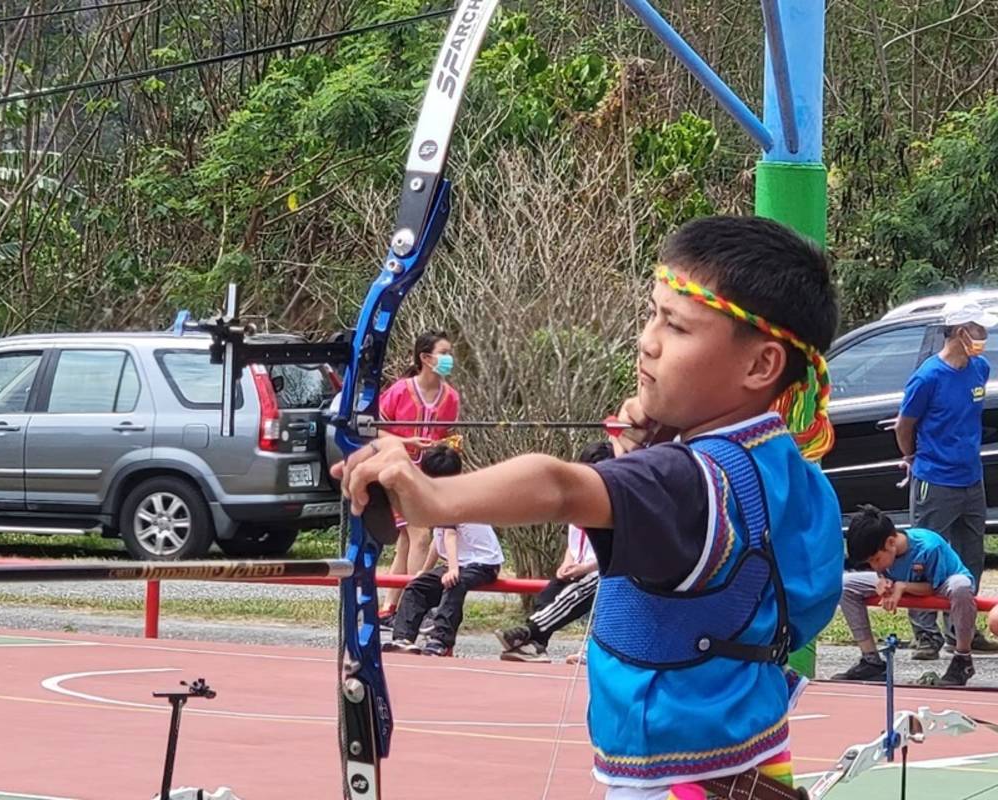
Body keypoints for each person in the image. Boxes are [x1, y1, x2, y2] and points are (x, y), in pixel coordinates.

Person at [335, 215, 843, 799]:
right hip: (755, 758)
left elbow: (559, 487)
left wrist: (431, 496)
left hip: (675, 782)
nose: (648, 340)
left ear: (761, 366)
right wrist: (657, 446)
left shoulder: (686, 480)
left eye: (677, 327)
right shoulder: (795, 473)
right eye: (653, 314)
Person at [895, 298, 998, 658]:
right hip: (935, 479)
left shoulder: (979, 369)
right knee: (925, 554)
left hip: (971, 478)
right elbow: (904, 425)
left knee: (970, 555)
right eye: (978, 329)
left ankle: (961, 629)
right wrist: (911, 457)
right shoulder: (927, 377)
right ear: (959, 332)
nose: (984, 335)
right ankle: (925, 634)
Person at [495, 441, 613, 663]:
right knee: (547, 596)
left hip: (600, 570)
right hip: (579, 566)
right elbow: (574, 541)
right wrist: (566, 564)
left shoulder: (613, 503)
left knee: (577, 594)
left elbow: (614, 551)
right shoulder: (578, 500)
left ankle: (529, 633)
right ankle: (536, 646)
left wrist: (586, 567)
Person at [381, 443, 503, 657]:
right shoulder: (437, 494)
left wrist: (453, 569)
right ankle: (403, 638)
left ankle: (441, 640)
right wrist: (426, 570)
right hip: (458, 561)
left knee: (455, 584)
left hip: (484, 562)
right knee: (416, 586)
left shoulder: (454, 495)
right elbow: (439, 539)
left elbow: (450, 535)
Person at [833, 505, 976, 686]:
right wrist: (882, 581)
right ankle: (871, 660)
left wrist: (902, 587)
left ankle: (963, 660)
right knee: (846, 585)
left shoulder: (929, 547)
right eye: (869, 563)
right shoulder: (885, 556)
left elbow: (932, 588)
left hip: (941, 583)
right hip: (903, 582)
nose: (875, 566)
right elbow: (883, 572)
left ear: (891, 543)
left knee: (961, 587)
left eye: (876, 560)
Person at [376, 331, 461, 626]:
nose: (449, 358)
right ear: (426, 358)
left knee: (406, 542)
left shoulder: (451, 397)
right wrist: (406, 441)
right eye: (444, 352)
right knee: (421, 537)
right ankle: (412, 609)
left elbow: (449, 435)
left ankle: (390, 605)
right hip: (399, 472)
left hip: (430, 477)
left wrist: (449, 447)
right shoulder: (400, 390)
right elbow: (375, 429)